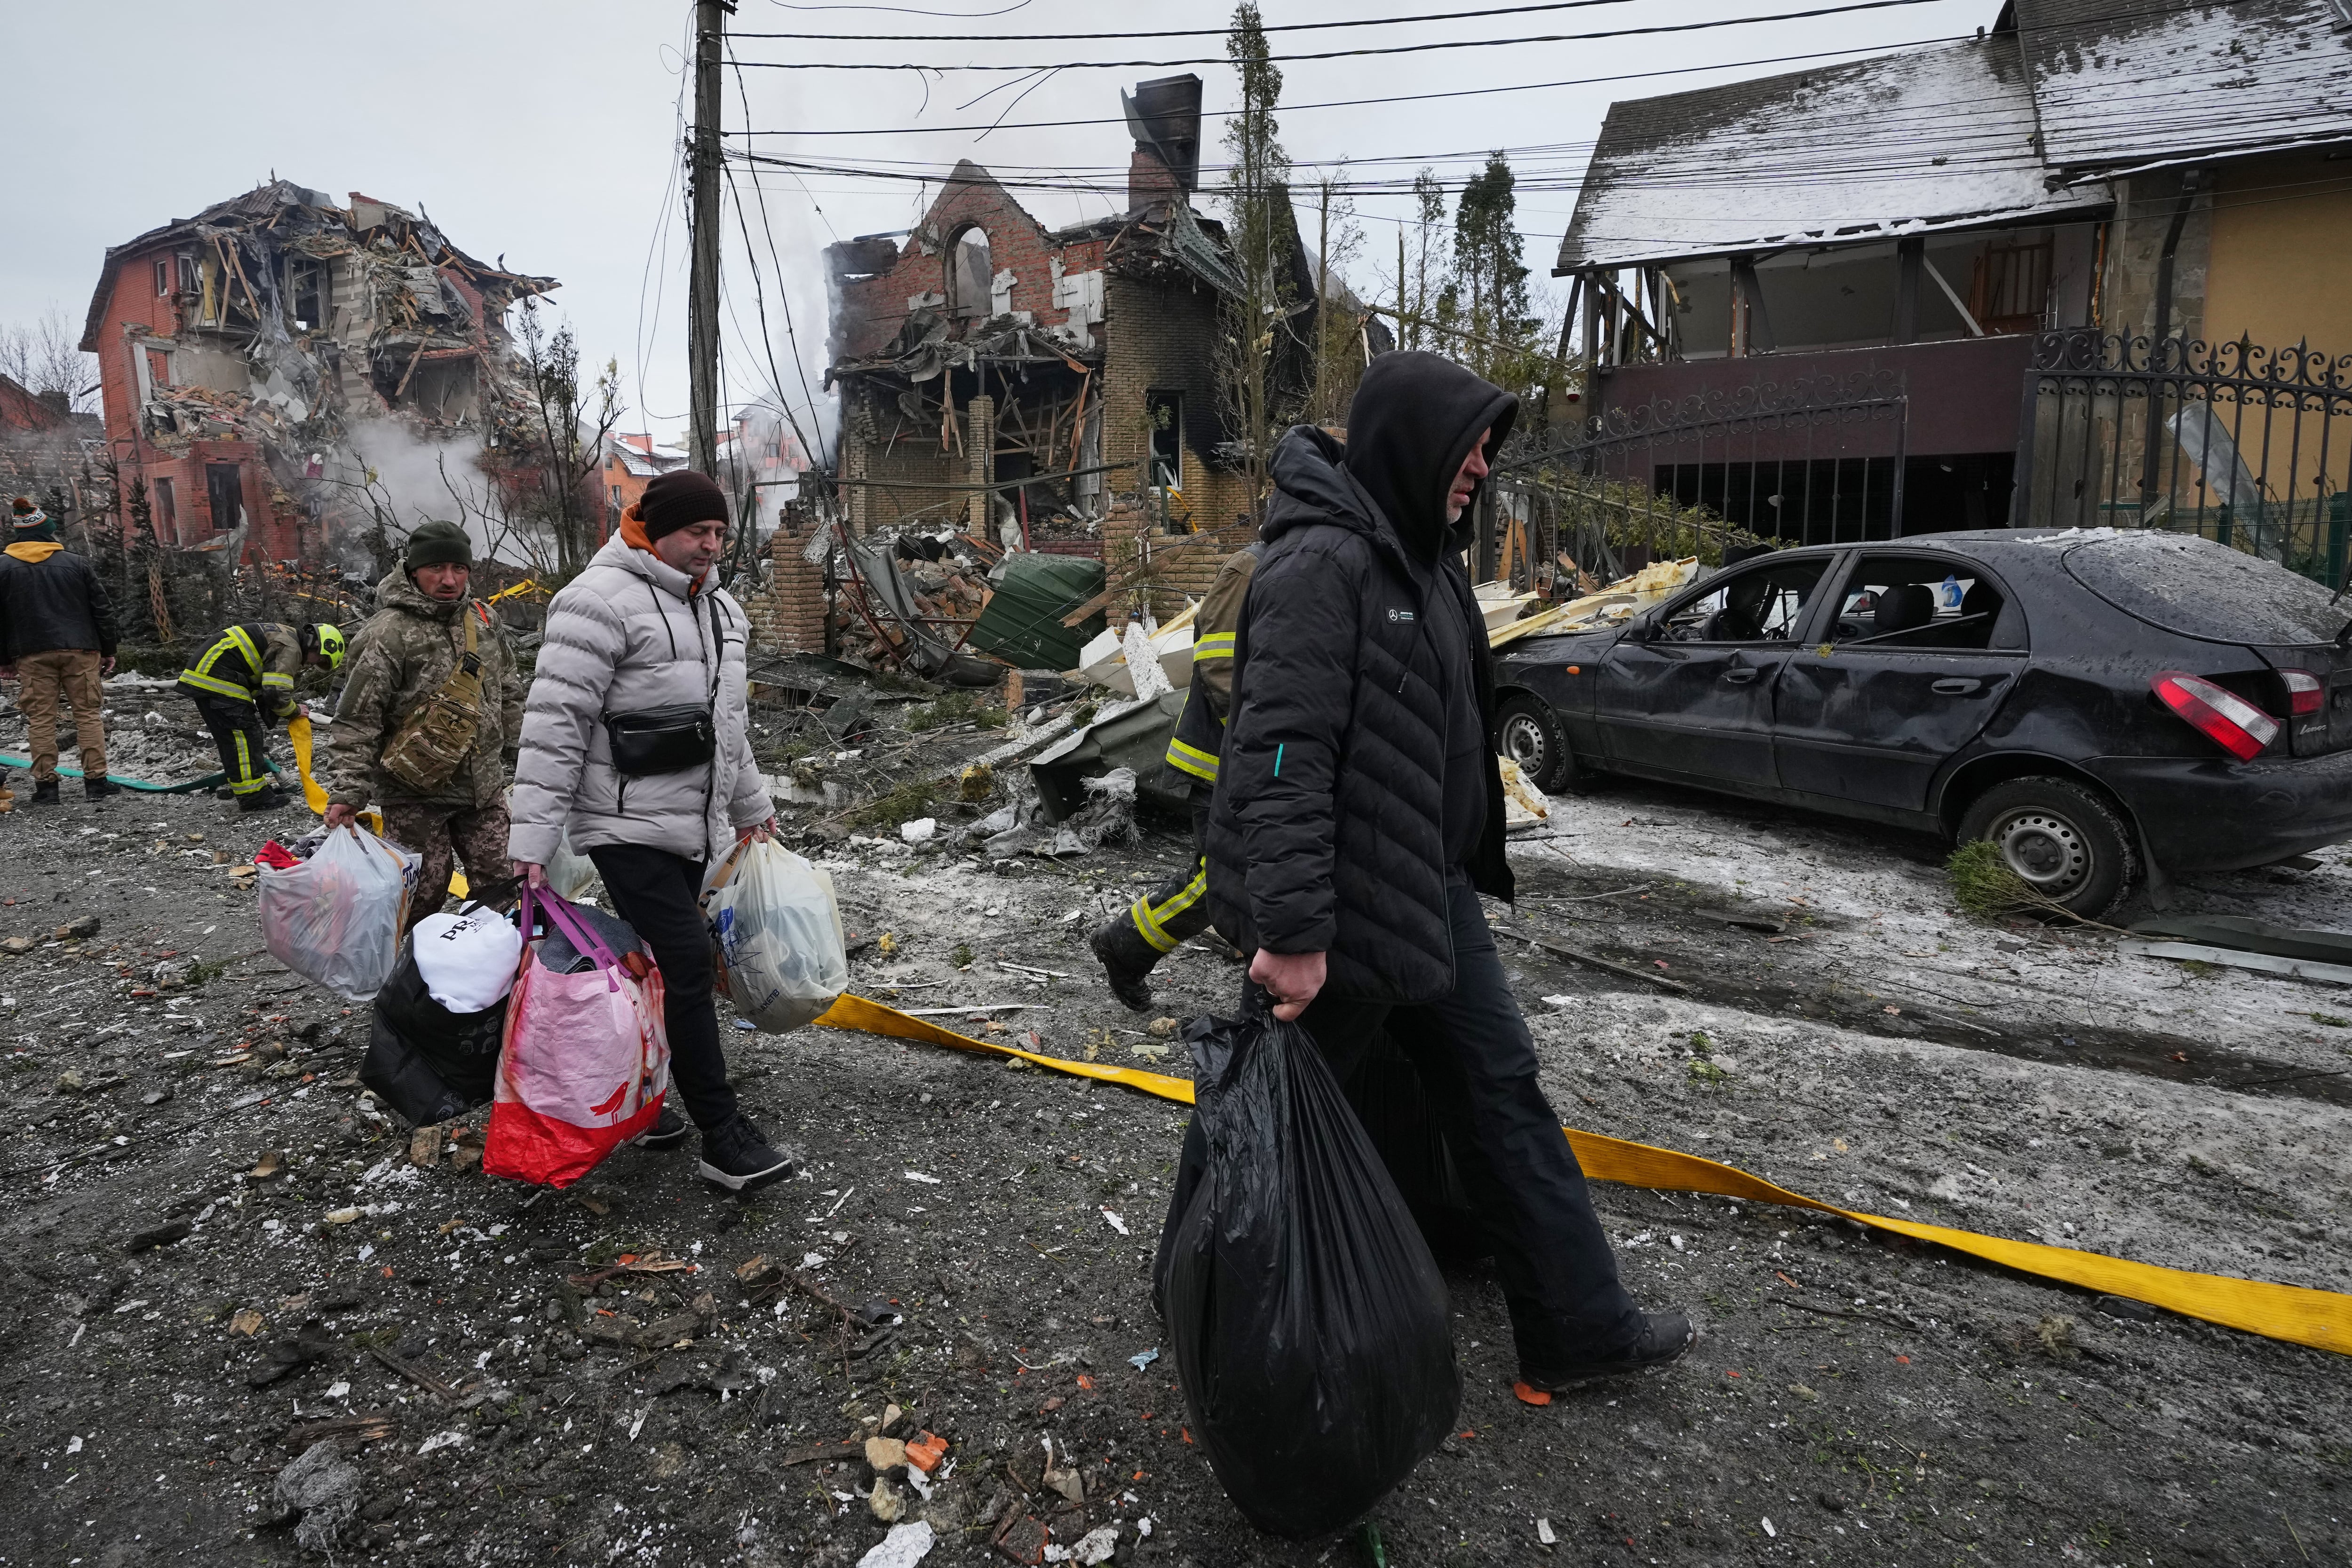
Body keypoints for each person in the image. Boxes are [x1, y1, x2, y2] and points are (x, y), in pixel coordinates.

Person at [1189, 351, 1693, 1389]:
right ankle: (1203, 1301)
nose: (1481, 465)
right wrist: (1292, 932)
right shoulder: (1319, 564)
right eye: (1469, 444)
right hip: (1336, 914)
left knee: (1501, 1088)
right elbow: (1281, 755)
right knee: (1263, 1115)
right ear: (1409, 441)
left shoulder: (1427, 560)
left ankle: (1578, 1328)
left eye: (1489, 448)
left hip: (1427, 887)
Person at [506, 469, 791, 1192]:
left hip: (693, 824)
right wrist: (532, 841)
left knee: (660, 966)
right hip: (621, 823)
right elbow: (554, 725)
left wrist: (751, 805)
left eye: (720, 532)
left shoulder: (721, 610)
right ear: (656, 529)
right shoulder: (595, 602)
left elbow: (729, 728)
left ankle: (642, 1100)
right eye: (698, 531)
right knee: (689, 961)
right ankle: (721, 1133)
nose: (712, 544)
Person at [322, 519, 523, 936]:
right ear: (413, 571)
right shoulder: (387, 632)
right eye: (436, 568)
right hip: (413, 793)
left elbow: (509, 691)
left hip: (483, 788)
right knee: (421, 897)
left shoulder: (484, 619)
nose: (449, 580)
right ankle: (414, 972)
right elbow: (358, 718)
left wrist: (526, 759)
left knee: (504, 888)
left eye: (459, 568)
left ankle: (496, 969)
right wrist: (348, 791)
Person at [1088, 538, 1263, 1010]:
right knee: (1221, 879)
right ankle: (1125, 944)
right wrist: (1259, 747)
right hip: (1224, 759)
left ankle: (1127, 945)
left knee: (1241, 876)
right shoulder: (1248, 568)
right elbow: (1221, 667)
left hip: (1258, 759)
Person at [0, 496, 119, 805]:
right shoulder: (76, 564)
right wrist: (108, 649)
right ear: (48, 533)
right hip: (81, 650)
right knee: (88, 716)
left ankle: (46, 789)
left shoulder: (4, 568)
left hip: (32, 653)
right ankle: (96, 784)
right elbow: (102, 610)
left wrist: (4, 660)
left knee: (41, 719)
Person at [178, 619, 344, 812]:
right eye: (321, 660)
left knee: (241, 737)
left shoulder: (286, 636)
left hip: (212, 676)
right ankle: (253, 796)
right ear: (318, 645)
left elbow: (261, 681)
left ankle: (255, 788)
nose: (312, 663)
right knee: (243, 737)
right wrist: (294, 711)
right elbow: (275, 691)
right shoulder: (291, 648)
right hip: (218, 679)